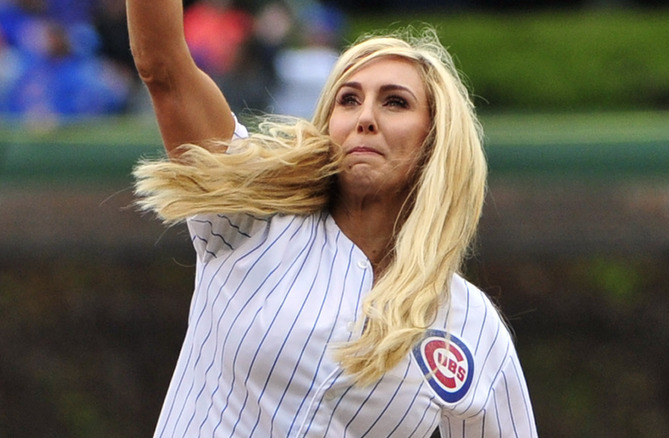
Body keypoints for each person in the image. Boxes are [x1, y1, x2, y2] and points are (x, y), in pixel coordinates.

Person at [128, 0, 538, 436]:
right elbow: (162, 66)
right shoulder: (252, 216)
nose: (365, 118)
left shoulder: (470, 323)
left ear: (435, 140)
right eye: (349, 99)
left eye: (395, 102)